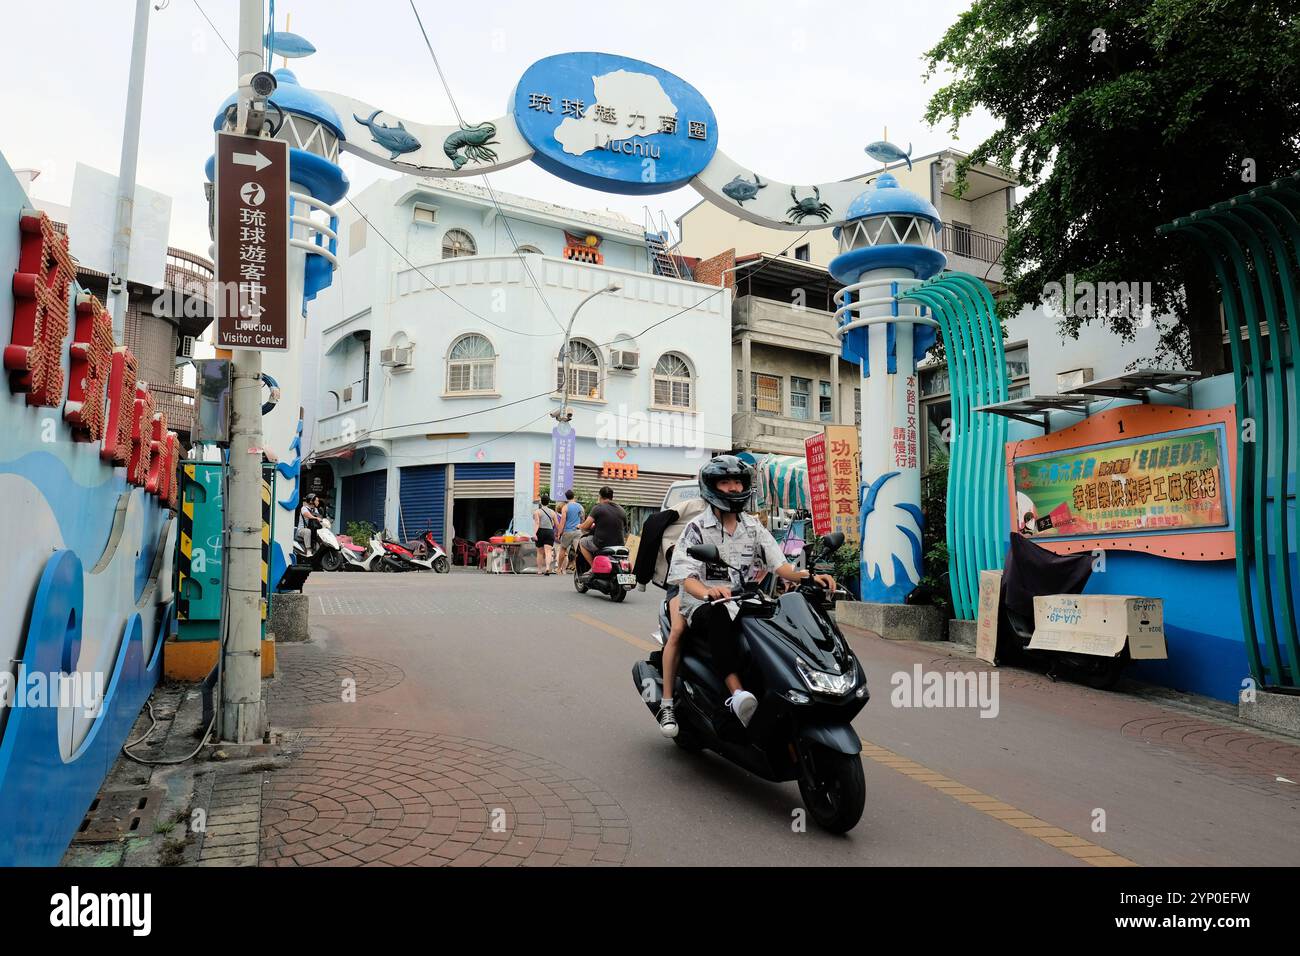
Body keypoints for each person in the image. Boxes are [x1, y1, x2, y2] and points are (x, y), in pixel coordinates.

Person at [660, 455, 835, 737]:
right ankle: (728, 694)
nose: (733, 488)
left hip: (743, 600)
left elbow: (781, 567)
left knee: (774, 622)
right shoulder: (696, 529)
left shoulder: (753, 527)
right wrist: (708, 591)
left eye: (738, 482)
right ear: (711, 486)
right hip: (704, 603)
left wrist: (811, 577)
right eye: (725, 482)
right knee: (705, 618)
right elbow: (687, 578)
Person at [576, 486, 626, 572]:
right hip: (620, 544)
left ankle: (593, 567)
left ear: (600, 496)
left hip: (602, 544)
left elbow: (586, 526)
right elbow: (623, 527)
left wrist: (580, 526)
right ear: (612, 497)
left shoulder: (598, 508)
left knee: (582, 542)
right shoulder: (622, 510)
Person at [532, 494, 562, 575]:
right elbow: (557, 524)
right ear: (548, 502)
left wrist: (534, 533)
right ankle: (548, 568)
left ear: (541, 502)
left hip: (540, 532)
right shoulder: (552, 512)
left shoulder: (537, 512)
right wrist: (559, 533)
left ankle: (539, 570)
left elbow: (537, 523)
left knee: (540, 552)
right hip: (550, 532)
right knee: (548, 551)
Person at [556, 490, 585, 575]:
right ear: (574, 496)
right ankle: (580, 569)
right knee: (579, 551)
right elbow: (583, 518)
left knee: (563, 549)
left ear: (566, 497)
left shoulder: (565, 507)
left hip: (568, 531)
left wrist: (559, 533)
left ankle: (559, 569)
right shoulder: (580, 506)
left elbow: (562, 521)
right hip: (578, 531)